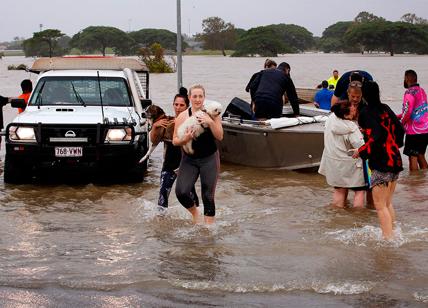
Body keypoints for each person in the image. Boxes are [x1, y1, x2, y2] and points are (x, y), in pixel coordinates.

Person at [353, 81, 404, 240]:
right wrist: (396, 145)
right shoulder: (386, 108)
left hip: (381, 162)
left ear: (364, 95)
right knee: (388, 203)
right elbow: (400, 129)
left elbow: (375, 137)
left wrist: (359, 151)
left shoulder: (366, 113)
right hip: (395, 159)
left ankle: (388, 241)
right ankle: (394, 234)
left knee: (380, 206)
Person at [173, 85, 223, 224]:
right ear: (189, 98)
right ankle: (196, 214)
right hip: (189, 159)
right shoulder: (183, 116)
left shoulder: (212, 112)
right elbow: (175, 141)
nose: (197, 99)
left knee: (208, 195)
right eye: (194, 96)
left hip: (209, 158)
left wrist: (210, 122)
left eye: (200, 96)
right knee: (181, 192)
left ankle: (208, 230)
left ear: (204, 97)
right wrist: (186, 139)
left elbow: (220, 136)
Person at [153, 87, 199, 213]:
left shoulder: (193, 123)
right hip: (169, 165)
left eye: (181, 105)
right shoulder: (167, 122)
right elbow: (153, 141)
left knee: (191, 195)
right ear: (173, 105)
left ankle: (198, 219)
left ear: (187, 106)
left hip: (187, 165)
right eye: (176, 104)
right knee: (163, 197)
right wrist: (155, 127)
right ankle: (161, 225)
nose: (178, 107)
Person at [319, 99, 366, 208]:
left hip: (333, 162)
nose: (355, 111)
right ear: (345, 115)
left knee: (339, 190)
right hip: (350, 164)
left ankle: (338, 217)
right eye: (353, 110)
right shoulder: (351, 127)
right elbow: (361, 146)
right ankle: (358, 220)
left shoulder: (330, 119)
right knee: (359, 191)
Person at [397, 69, 428, 171]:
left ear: (406, 79)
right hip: (425, 129)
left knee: (412, 157)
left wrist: (401, 122)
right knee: (420, 155)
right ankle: (424, 181)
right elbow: (416, 111)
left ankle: (413, 183)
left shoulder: (409, 92)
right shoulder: (422, 91)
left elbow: (408, 111)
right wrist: (397, 116)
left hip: (414, 132)